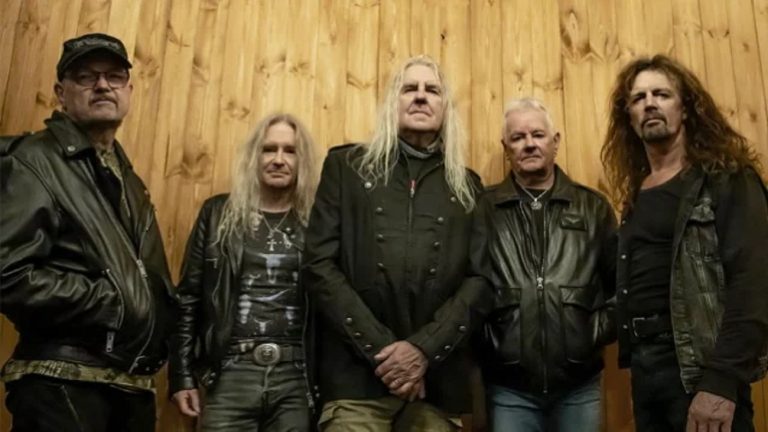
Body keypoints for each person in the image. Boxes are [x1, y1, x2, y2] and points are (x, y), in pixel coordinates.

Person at [303, 55, 492, 431]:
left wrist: (423, 350)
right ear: (393, 102)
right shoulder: (346, 167)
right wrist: (385, 355)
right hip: (354, 384)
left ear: (445, 108)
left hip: (435, 385)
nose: (420, 96)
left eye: (432, 90)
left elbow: (480, 282)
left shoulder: (468, 186)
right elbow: (318, 265)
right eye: (409, 88)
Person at [0, 33, 176, 431]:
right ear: (61, 93)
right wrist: (110, 303)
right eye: (85, 76)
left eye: (114, 76)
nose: (102, 85)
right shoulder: (34, 162)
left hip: (128, 385)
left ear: (128, 91)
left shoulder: (127, 177)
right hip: (62, 382)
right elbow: (8, 273)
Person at [601, 54, 768, 432]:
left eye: (661, 94)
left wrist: (721, 382)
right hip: (647, 372)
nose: (649, 104)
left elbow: (754, 284)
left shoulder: (727, 178)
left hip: (702, 373)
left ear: (686, 108)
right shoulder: (636, 195)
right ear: (629, 117)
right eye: (638, 98)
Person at [168, 113, 319, 431]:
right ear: (254, 156)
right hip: (231, 371)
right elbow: (189, 298)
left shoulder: (319, 221)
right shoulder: (217, 214)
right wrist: (181, 376)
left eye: (290, 151)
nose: (278, 160)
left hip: (297, 375)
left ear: (302, 160)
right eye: (269, 149)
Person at [478, 97, 616, 431]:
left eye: (538, 135)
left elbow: (622, 287)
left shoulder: (593, 208)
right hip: (509, 389)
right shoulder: (482, 210)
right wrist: (492, 342)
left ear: (555, 142)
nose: (529, 144)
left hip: (580, 386)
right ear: (506, 148)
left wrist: (591, 335)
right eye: (518, 137)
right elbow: (466, 285)